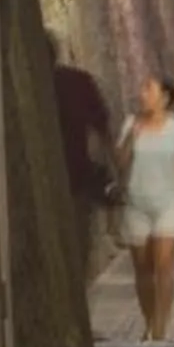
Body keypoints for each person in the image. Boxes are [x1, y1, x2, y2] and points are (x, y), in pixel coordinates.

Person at [116, 77, 174, 340]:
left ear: (165, 97)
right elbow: (120, 163)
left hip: (168, 204)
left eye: (149, 89)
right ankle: (149, 320)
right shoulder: (130, 123)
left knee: (163, 266)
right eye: (143, 88)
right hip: (137, 204)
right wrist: (131, 136)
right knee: (143, 270)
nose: (142, 93)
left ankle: (161, 328)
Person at [52, 60, 118, 276]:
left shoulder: (74, 81)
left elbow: (102, 127)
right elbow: (103, 128)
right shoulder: (77, 81)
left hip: (76, 180)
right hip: (76, 179)